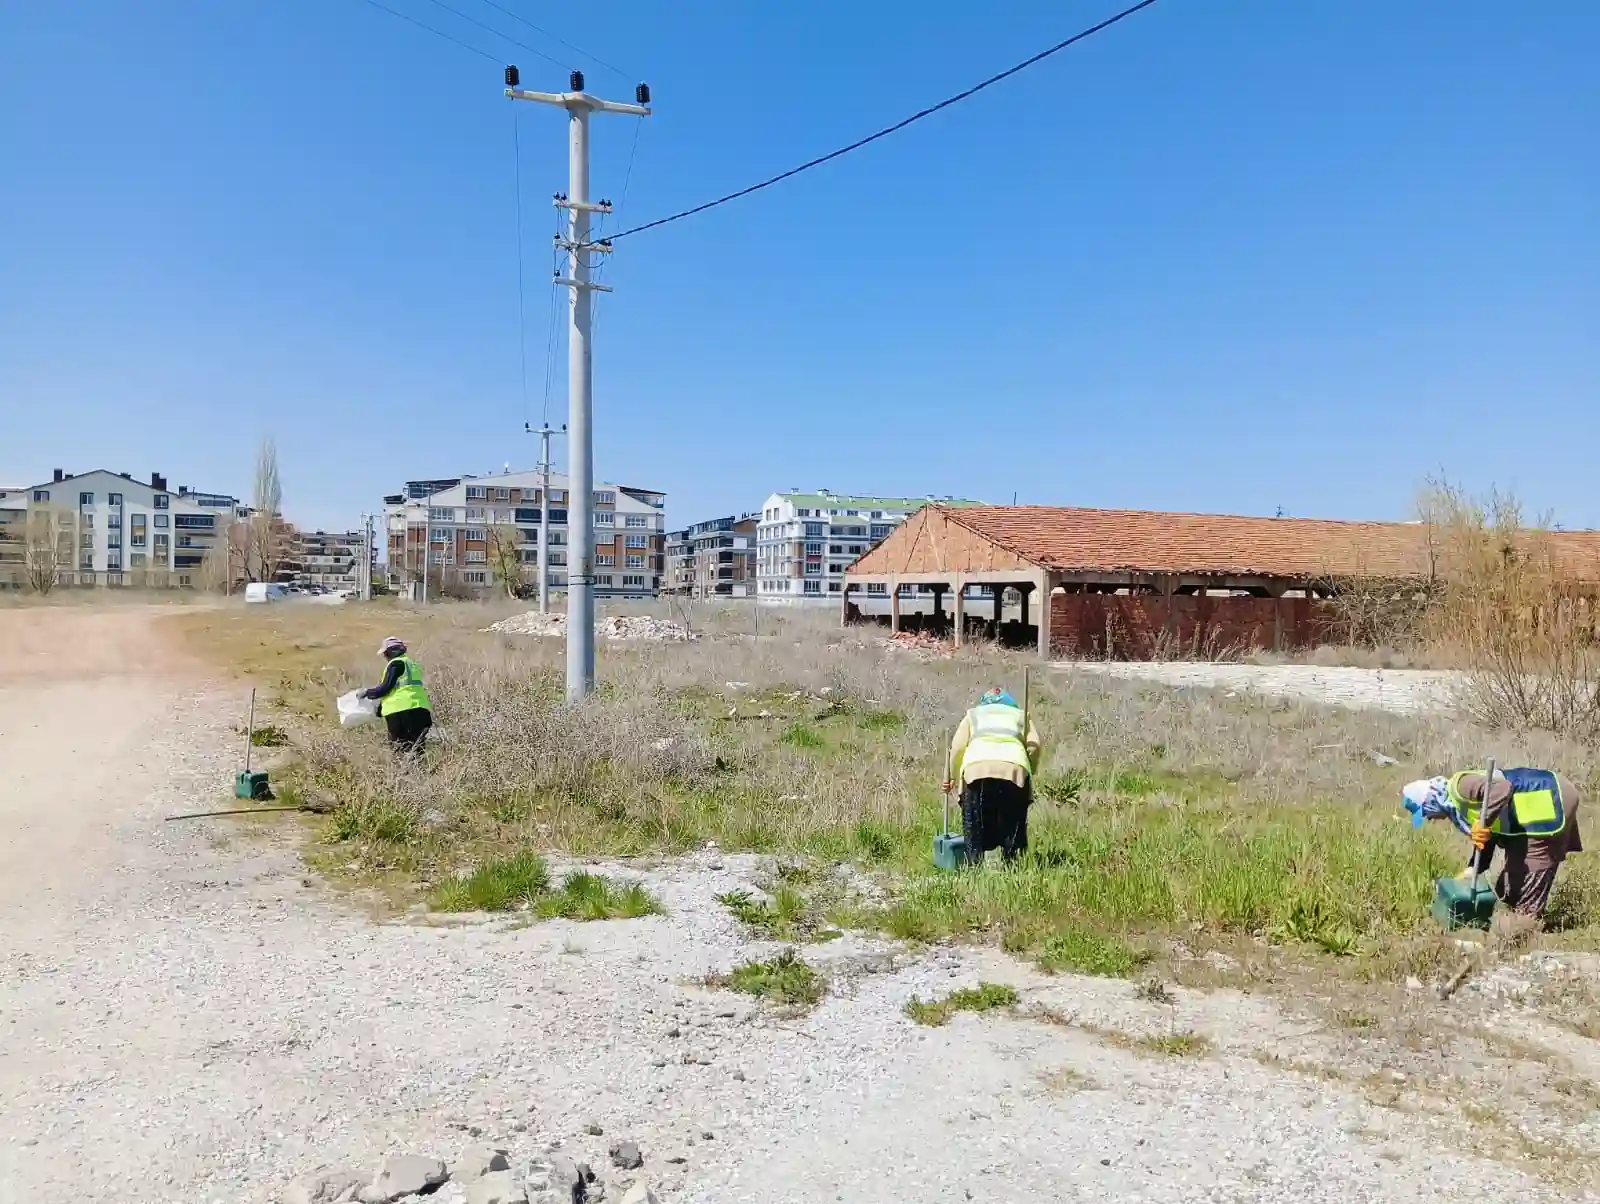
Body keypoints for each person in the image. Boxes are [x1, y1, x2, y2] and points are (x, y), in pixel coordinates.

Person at [1402, 767, 1583, 921]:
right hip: (1527, 819)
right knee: (1506, 889)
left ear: (1430, 801)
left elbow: (1502, 789)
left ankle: (1527, 929)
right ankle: (1517, 921)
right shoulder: (1455, 807)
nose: (1430, 819)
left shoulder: (1460, 786)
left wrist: (1483, 822)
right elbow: (1490, 831)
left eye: (1425, 813)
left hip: (1549, 800)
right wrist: (1474, 868)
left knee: (1527, 882)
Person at [943, 686, 1042, 865]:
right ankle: (1012, 863)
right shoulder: (1021, 716)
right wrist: (1030, 769)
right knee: (1013, 819)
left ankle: (974, 863)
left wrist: (951, 778)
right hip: (1014, 769)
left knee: (974, 821)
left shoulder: (973, 715)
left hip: (976, 770)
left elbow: (957, 748)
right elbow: (1035, 746)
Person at [362, 636, 433, 755]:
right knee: (417, 752)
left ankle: (405, 773)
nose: (385, 657)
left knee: (401, 752)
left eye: (385, 653)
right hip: (421, 711)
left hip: (401, 714)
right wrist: (380, 710)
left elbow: (385, 689)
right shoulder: (412, 665)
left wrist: (366, 693)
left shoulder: (396, 664)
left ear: (390, 652)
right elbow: (400, 689)